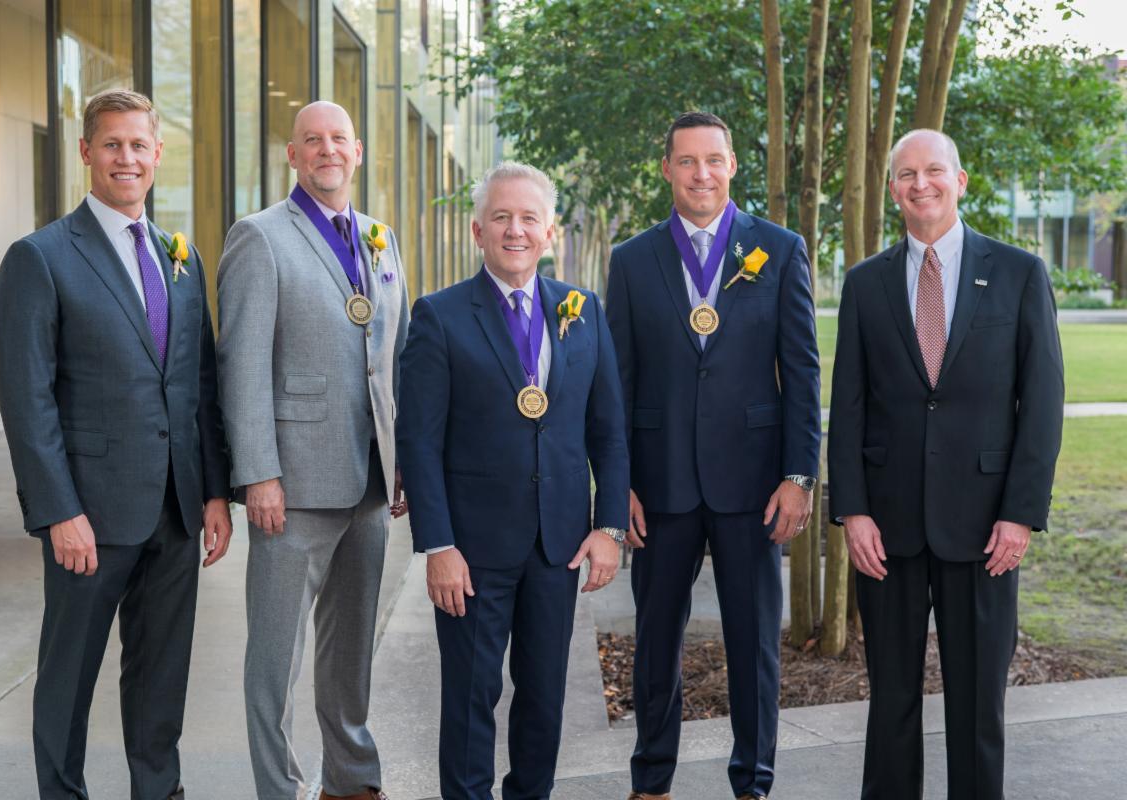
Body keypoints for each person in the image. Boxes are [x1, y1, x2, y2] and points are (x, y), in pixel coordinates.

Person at [0, 88, 232, 800]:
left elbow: (200, 386)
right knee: (68, 675)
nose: (126, 157)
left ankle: (158, 791)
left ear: (158, 155)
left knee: (161, 675)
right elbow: (26, 401)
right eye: (112, 144)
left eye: (139, 145)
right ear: (87, 153)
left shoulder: (178, 258)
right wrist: (57, 510)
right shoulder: (39, 258)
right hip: (89, 516)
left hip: (178, 509)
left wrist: (215, 491)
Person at [828, 128, 1064, 798]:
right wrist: (852, 510)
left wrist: (1021, 514)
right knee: (891, 701)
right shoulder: (866, 283)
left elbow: (1042, 403)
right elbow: (847, 406)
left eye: (934, 171)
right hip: (888, 528)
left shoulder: (1019, 273)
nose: (920, 184)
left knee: (977, 705)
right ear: (892, 189)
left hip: (987, 528)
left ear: (960, 182)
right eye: (906, 174)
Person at [396, 161, 630, 800]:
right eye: (501, 217)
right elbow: (418, 442)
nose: (515, 230)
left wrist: (608, 526)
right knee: (471, 702)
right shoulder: (439, 317)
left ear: (549, 231)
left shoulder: (583, 312)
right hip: (471, 552)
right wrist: (437, 546)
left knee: (545, 701)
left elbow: (609, 430)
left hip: (558, 545)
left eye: (529, 218)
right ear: (477, 231)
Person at [605, 111, 821, 800]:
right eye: (688, 161)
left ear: (733, 166)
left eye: (714, 160)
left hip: (754, 485)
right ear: (666, 169)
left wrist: (798, 475)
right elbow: (617, 385)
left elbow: (804, 372)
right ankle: (651, 781)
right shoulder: (632, 260)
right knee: (656, 642)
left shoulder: (780, 250)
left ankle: (753, 782)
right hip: (660, 485)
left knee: (755, 643)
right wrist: (620, 488)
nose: (702, 174)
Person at [215, 100, 407, 800]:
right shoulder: (259, 237)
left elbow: (395, 358)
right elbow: (240, 367)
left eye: (338, 139)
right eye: (311, 141)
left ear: (357, 153)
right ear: (292, 156)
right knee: (276, 658)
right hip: (291, 487)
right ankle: (280, 788)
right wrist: (258, 474)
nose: (327, 150)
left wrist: (401, 464)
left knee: (350, 648)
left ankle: (351, 780)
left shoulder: (382, 239)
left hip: (370, 485)